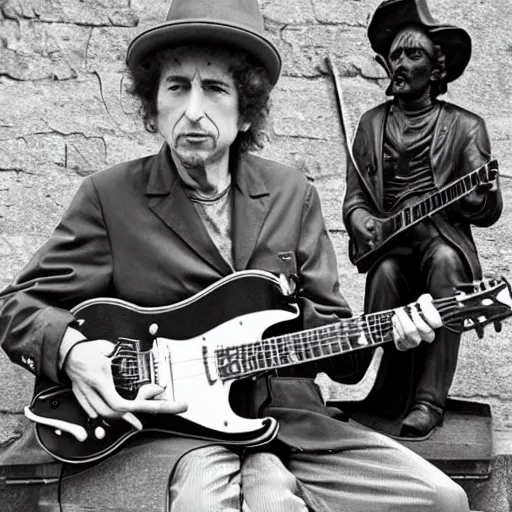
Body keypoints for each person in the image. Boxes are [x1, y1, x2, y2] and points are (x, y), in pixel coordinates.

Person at [0, 0, 470, 510]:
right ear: (154, 106)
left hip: (285, 419)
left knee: (440, 499)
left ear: (245, 111)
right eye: (177, 87)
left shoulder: (292, 193)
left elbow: (340, 351)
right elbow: (16, 307)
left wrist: (391, 329)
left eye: (215, 89)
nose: (193, 111)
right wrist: (71, 350)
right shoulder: (108, 197)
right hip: (174, 429)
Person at [342, 0, 502, 438]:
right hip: (391, 242)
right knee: (386, 276)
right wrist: (364, 224)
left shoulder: (466, 127)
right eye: (395, 54)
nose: (401, 63)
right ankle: (380, 388)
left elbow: (488, 211)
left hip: (441, 238)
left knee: (447, 265)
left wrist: (479, 195)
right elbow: (355, 199)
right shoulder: (370, 125)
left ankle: (429, 400)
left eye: (413, 55)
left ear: (436, 70)